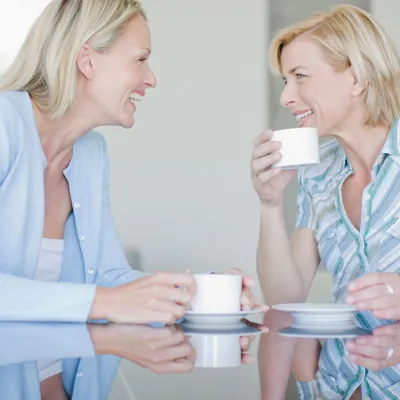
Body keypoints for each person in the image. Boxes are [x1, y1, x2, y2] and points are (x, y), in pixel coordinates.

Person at [0, 0, 262, 397]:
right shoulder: (4, 127)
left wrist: (200, 294)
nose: (151, 79)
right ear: (87, 60)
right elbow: (106, 298)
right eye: (140, 59)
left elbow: (109, 279)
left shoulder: (91, 153)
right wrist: (105, 302)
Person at [252, 4, 400, 399]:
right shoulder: (319, 174)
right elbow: (285, 301)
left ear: (357, 77)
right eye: (285, 80)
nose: (286, 97)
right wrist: (269, 204)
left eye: (300, 77)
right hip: (333, 387)